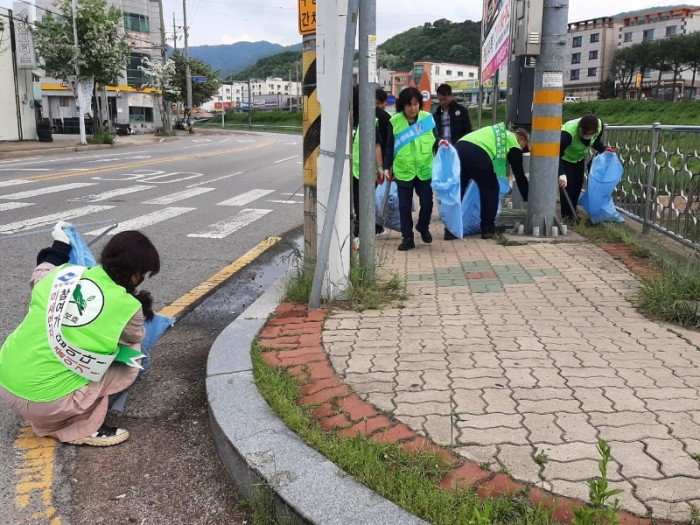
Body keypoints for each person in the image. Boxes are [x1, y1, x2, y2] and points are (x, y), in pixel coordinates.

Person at [0, 225, 160, 447]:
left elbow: (41, 270)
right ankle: (76, 424)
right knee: (139, 357)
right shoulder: (128, 306)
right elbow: (135, 336)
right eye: (143, 274)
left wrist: (60, 245)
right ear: (135, 276)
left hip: (7, 383)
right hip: (47, 402)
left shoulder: (63, 274)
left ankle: (45, 404)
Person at [384, 87, 438, 251]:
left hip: (424, 169)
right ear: (403, 105)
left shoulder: (427, 119)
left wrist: (443, 145)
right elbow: (389, 146)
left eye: (416, 104)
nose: (413, 108)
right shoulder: (395, 122)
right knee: (404, 206)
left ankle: (423, 226)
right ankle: (407, 237)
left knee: (427, 202)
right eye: (409, 105)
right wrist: (387, 167)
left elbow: (437, 139)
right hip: (403, 170)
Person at [453, 123, 530, 239]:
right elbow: (519, 176)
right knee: (491, 188)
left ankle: (450, 230)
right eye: (524, 147)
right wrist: (529, 198)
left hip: (458, 147)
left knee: (458, 189)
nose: (521, 151)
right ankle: (488, 228)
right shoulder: (513, 143)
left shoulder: (498, 133)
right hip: (477, 152)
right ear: (521, 139)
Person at [558, 114, 611, 218]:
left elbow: (594, 141)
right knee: (568, 186)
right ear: (581, 129)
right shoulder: (568, 133)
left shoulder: (599, 126)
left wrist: (603, 149)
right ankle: (567, 215)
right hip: (565, 158)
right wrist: (561, 173)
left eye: (591, 134)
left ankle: (573, 211)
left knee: (578, 183)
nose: (588, 136)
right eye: (586, 134)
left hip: (579, 158)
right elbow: (556, 153)